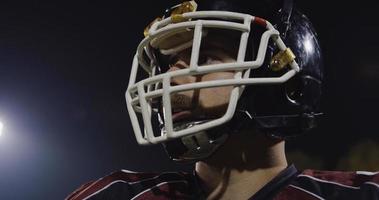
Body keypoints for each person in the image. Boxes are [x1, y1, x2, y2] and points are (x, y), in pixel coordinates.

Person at [66, 0, 379, 199]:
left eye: (206, 56)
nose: (172, 77)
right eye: (172, 62)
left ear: (280, 80)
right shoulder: (116, 195)